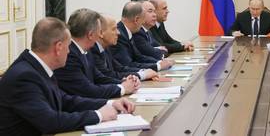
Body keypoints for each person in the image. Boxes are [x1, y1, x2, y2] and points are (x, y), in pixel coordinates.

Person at [0, 17, 135, 135]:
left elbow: (65, 100)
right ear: (58, 47)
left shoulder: (36, 67)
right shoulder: (24, 76)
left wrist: (110, 103)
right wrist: (98, 115)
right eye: (68, 46)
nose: (69, 51)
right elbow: (50, 122)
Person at [54, 8, 139, 99]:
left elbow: (99, 77)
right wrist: (122, 88)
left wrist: (123, 81)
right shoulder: (69, 55)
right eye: (98, 31)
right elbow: (87, 90)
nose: (99, 35)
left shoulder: (86, 51)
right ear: (90, 35)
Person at [89, 14, 160, 81]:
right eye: (114, 29)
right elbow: (108, 75)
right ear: (101, 33)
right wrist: (142, 75)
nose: (118, 33)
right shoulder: (92, 50)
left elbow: (119, 68)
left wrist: (144, 71)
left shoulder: (106, 47)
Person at [110, 1, 172, 71]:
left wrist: (159, 62)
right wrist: (158, 66)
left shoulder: (127, 31)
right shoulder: (120, 36)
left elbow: (138, 57)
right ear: (136, 20)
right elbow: (127, 64)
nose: (142, 23)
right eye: (142, 20)